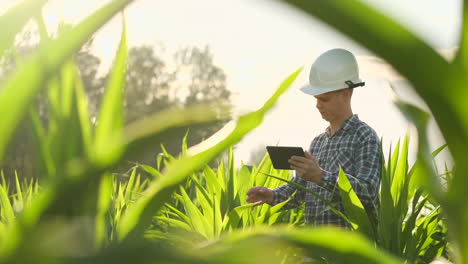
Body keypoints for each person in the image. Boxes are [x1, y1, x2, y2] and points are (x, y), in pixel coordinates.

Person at [246, 48, 381, 228]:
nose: (317, 105)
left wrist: (320, 176)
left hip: (350, 251)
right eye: (316, 99)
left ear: (345, 93)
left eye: (324, 99)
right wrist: (270, 195)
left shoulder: (365, 136)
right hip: (316, 250)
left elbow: (368, 192)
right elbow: (298, 191)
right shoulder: (317, 143)